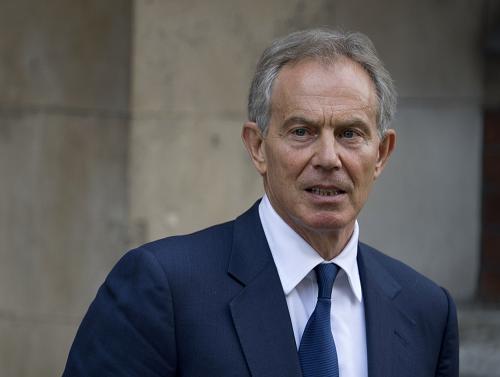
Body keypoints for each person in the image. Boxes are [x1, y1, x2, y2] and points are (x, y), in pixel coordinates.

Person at [63, 28, 459, 377]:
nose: (327, 157)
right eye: (302, 131)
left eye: (350, 133)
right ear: (258, 148)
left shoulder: (426, 311)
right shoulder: (164, 289)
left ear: (382, 153)